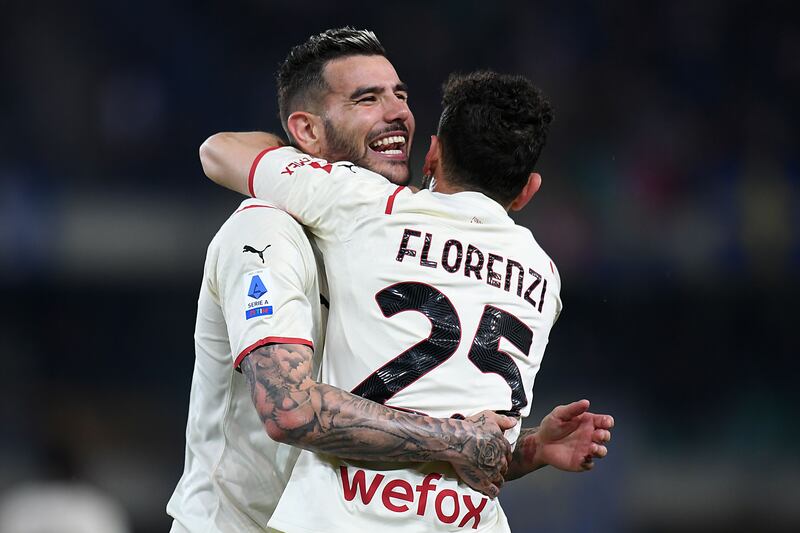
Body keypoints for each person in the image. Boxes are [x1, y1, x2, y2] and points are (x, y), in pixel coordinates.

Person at [201, 29, 613, 532]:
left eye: (401, 94)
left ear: (434, 153)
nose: (396, 111)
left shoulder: (378, 217)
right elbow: (290, 409)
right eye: (367, 98)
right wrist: (463, 442)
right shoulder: (267, 226)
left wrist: (522, 450)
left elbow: (459, 438)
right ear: (306, 132)